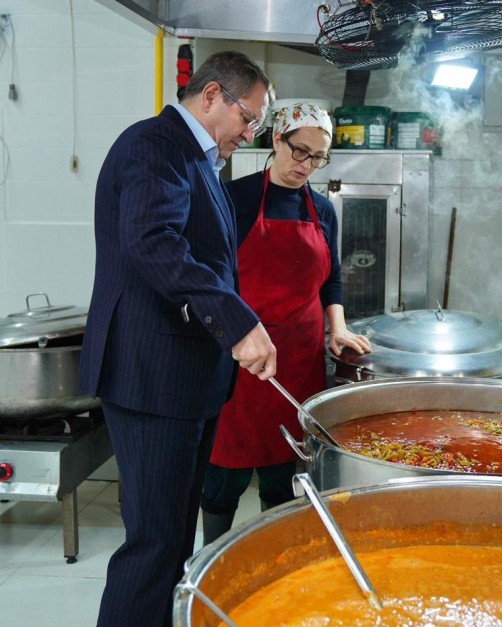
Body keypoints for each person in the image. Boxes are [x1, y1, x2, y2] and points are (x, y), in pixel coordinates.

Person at [79, 50, 278, 627]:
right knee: (154, 546)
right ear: (212, 95)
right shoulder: (154, 145)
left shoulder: (199, 159)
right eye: (249, 118)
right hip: (151, 376)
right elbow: (152, 241)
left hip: (184, 380)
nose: (251, 133)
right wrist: (237, 321)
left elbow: (204, 258)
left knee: (172, 540)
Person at [200, 102, 372, 544]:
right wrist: (231, 334)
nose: (306, 165)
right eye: (299, 151)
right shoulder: (232, 199)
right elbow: (210, 278)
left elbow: (331, 279)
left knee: (283, 476)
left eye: (318, 158)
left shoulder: (322, 210)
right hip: (240, 359)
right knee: (223, 480)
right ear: (276, 139)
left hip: (297, 361)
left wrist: (338, 327)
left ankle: (276, 562)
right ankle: (210, 562)